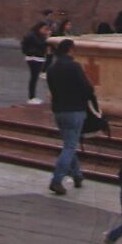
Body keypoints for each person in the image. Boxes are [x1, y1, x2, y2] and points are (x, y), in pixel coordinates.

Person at [45, 39, 95, 194]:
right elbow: (87, 88)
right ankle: (57, 180)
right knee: (69, 146)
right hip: (75, 110)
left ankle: (77, 175)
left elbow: (52, 89)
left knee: (69, 142)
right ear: (70, 50)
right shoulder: (74, 66)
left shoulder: (52, 68)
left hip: (59, 111)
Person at [21, 16, 52, 106]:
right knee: (33, 77)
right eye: (44, 29)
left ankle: (32, 96)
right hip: (34, 58)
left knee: (34, 77)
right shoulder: (33, 35)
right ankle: (31, 97)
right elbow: (41, 44)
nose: (45, 31)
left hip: (36, 57)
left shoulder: (35, 35)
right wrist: (47, 37)